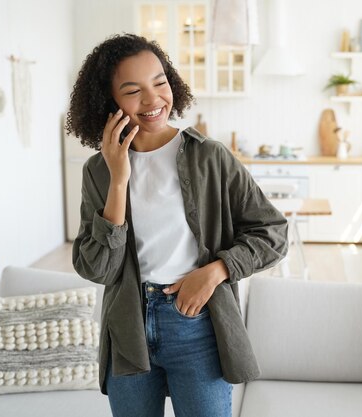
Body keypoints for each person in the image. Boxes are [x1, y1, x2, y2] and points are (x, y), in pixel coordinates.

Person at [64, 33, 288, 417]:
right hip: (128, 329)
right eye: (133, 91)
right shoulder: (99, 172)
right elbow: (98, 268)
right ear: (110, 102)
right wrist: (119, 180)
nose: (152, 101)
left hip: (196, 324)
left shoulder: (210, 157)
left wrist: (216, 271)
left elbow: (273, 233)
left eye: (160, 82)